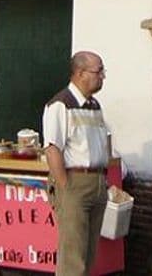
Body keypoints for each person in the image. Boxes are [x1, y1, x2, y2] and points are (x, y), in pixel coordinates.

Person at [42, 51, 111, 276]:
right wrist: (65, 186)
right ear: (80, 73)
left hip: (97, 182)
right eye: (98, 71)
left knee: (89, 253)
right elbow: (53, 148)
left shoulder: (94, 105)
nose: (102, 76)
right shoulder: (61, 105)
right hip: (75, 182)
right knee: (73, 255)